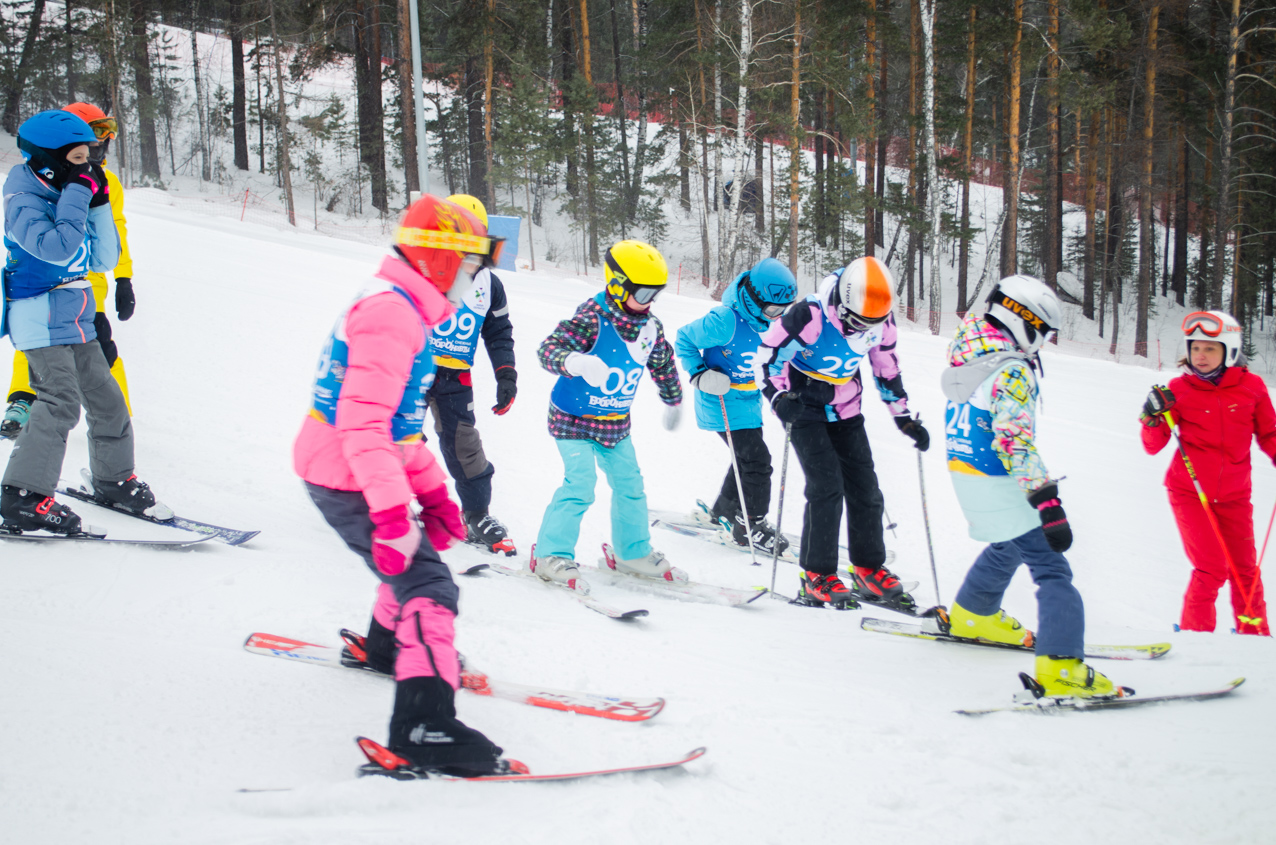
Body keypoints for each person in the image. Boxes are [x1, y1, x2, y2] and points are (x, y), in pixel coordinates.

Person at [293, 194, 511, 776]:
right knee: (429, 585)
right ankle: (424, 727)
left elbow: (399, 429)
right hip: (346, 474)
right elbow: (364, 425)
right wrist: (393, 517)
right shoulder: (391, 314)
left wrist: (434, 496)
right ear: (438, 260)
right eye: (469, 265)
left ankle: (387, 648)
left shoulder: (403, 310)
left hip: (352, 468)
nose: (473, 280)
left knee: (417, 561)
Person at [941, 275, 1117, 697]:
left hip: (969, 481)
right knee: (1052, 568)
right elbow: (1013, 441)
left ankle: (974, 614)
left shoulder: (970, 354)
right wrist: (1047, 502)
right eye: (1043, 332)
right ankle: (1062, 667)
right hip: (1002, 485)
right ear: (1025, 321)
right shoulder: (1011, 370)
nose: (1043, 343)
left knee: (1009, 544)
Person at [0, 110, 168, 533]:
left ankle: (112, 480)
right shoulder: (23, 199)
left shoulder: (65, 190)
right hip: (38, 316)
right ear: (47, 160)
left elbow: (103, 258)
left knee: (108, 400)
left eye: (88, 157)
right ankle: (23, 495)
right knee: (59, 402)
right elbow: (57, 249)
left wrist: (98, 202)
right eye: (77, 159)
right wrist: (78, 192)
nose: (87, 167)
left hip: (77, 314)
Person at [756, 256, 926, 607]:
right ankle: (817, 574)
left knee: (866, 488)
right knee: (826, 486)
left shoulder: (880, 320)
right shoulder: (809, 315)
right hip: (802, 406)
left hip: (846, 406)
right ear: (843, 306)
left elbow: (886, 368)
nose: (864, 330)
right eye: (859, 322)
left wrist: (903, 417)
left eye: (873, 323)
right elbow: (767, 356)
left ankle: (867, 568)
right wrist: (777, 397)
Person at [532, 239, 683, 591]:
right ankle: (550, 554)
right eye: (643, 293)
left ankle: (632, 552)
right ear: (617, 284)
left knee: (631, 487)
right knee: (580, 486)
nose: (650, 301)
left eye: (655, 293)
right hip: (572, 421)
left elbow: (662, 363)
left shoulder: (650, 327)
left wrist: (673, 399)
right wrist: (575, 361)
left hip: (615, 425)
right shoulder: (590, 319)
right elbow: (548, 350)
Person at [3, 102, 133, 439]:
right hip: (44, 282)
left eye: (106, 132)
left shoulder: (106, 181)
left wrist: (124, 277)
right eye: (97, 131)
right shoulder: (41, 179)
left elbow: (115, 229)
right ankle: (23, 400)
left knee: (102, 349)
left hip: (88, 286)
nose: (103, 140)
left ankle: (118, 413)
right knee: (37, 345)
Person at [1140, 311, 1274, 636]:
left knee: (1245, 571)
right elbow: (1152, 446)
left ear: (1229, 350)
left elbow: (1270, 433)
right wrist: (1151, 417)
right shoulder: (1178, 389)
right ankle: (1195, 638)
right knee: (1212, 568)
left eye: (1210, 349)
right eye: (1195, 348)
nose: (1200, 355)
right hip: (1189, 493)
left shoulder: (1252, 387)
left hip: (1235, 496)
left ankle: (1254, 637)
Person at [674, 257, 797, 555]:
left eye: (785, 309)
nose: (778, 316)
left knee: (745, 459)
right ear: (754, 299)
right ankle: (750, 526)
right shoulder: (725, 321)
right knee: (757, 461)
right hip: (720, 400)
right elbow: (684, 339)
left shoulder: (772, 325)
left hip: (749, 401)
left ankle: (725, 512)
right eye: (773, 310)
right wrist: (699, 373)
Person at [424, 194, 517, 555]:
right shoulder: (424, 270)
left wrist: (506, 374)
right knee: (400, 438)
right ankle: (381, 500)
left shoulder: (490, 284)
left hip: (456, 377)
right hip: (413, 369)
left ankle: (476, 515)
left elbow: (498, 332)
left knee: (465, 445)